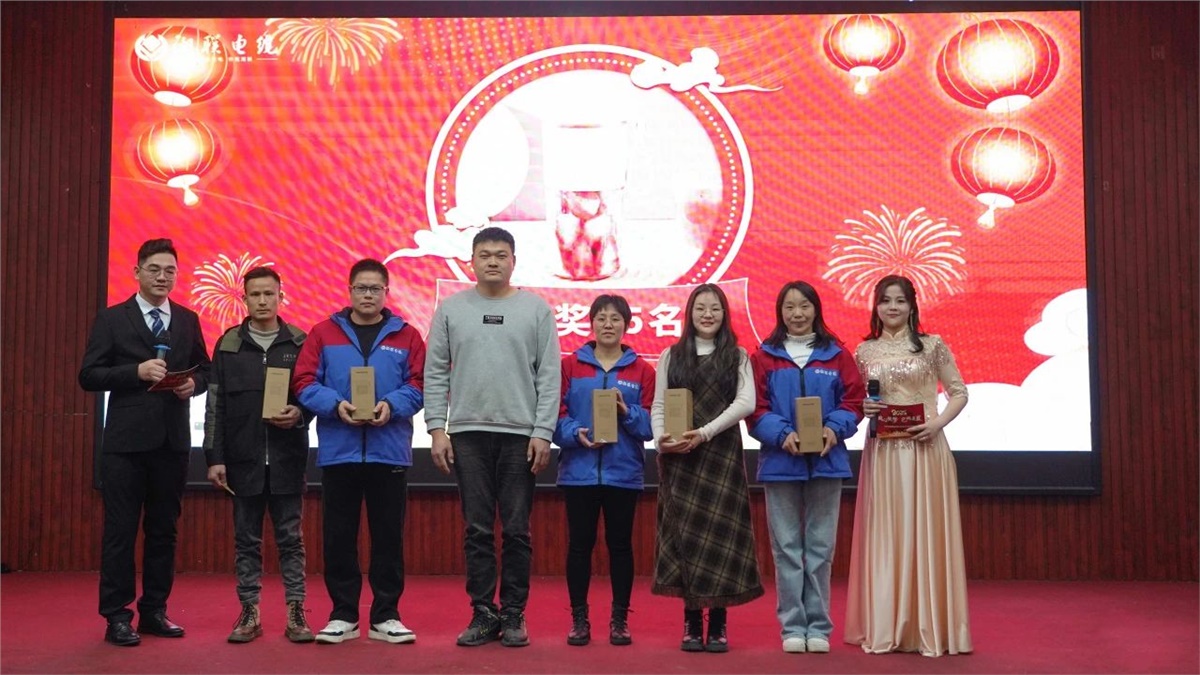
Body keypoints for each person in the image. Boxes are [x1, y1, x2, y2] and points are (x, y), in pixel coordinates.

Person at [424, 226, 561, 648]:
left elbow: (550, 376)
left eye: (501, 255)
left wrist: (543, 432)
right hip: (466, 434)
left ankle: (514, 612)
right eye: (484, 255)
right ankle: (483, 613)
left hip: (520, 436)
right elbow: (435, 371)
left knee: (517, 530)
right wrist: (436, 428)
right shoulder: (451, 310)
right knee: (477, 529)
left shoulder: (536, 310)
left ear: (514, 261)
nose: (493, 262)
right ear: (472, 261)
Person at [78, 238, 211, 647]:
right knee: (120, 531)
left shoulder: (187, 319)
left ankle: (154, 610)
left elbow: (206, 370)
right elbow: (89, 375)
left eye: (170, 270)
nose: (162, 277)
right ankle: (117, 616)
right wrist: (134, 372)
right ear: (137, 272)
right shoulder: (112, 319)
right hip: (125, 445)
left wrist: (194, 384)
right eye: (154, 269)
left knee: (163, 531)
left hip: (172, 443)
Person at [293, 258, 426, 646]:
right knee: (338, 538)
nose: (368, 295)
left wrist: (392, 405)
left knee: (388, 538)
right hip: (340, 452)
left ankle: (386, 615)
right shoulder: (323, 333)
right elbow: (304, 381)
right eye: (361, 288)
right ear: (349, 290)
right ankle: (343, 615)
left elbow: (420, 384)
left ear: (387, 292)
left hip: (389, 452)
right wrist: (336, 406)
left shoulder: (407, 336)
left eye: (375, 289)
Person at [843, 275, 972, 657]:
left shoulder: (933, 346)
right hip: (883, 454)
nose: (893, 307)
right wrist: (864, 407)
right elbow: (855, 401)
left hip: (925, 450)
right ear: (876, 306)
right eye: (885, 300)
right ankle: (888, 624)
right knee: (887, 534)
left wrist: (937, 424)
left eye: (900, 300)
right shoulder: (864, 351)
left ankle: (927, 626)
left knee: (926, 532)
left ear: (912, 305)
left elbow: (959, 393)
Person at [747, 281, 865, 655]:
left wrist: (834, 428)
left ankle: (818, 627)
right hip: (780, 464)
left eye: (804, 306)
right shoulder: (764, 357)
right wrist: (781, 434)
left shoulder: (837, 355)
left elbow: (854, 402)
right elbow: (755, 408)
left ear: (816, 309)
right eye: (789, 307)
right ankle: (792, 627)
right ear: (779, 312)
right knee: (786, 549)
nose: (797, 314)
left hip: (827, 464)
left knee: (820, 548)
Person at [202, 266, 315, 644]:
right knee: (246, 541)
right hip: (241, 460)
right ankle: (249, 612)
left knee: (291, 539)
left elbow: (314, 395)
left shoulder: (300, 342)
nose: (263, 301)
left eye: (269, 294)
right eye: (255, 295)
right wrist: (214, 457)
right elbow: (215, 406)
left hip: (287, 458)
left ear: (281, 297)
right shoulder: (228, 344)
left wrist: (301, 413)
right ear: (245, 299)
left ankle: (296, 611)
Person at [649, 283, 763, 653]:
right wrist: (661, 440)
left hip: (721, 459)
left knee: (721, 540)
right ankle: (691, 621)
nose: (708, 314)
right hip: (681, 459)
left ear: (724, 313)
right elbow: (659, 405)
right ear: (690, 313)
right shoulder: (671, 355)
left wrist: (705, 432)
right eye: (701, 308)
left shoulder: (737, 355)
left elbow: (746, 403)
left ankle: (717, 624)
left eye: (715, 308)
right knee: (687, 538)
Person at [552, 294, 656, 647]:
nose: (608, 324)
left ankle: (619, 620)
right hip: (578, 471)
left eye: (615, 318)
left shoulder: (643, 370)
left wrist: (628, 413)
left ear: (627, 324)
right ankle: (579, 619)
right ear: (591, 323)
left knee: (621, 546)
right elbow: (554, 416)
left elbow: (650, 426)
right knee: (579, 546)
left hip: (623, 472)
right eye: (601, 318)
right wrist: (575, 434)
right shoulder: (570, 366)